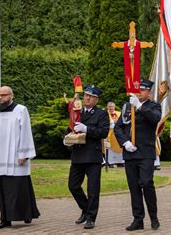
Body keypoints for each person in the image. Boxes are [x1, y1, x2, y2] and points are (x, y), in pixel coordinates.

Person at [0, 86, 40, 229]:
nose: (1, 98)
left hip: (16, 158)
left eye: (4, 95)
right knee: (2, 190)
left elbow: (25, 132)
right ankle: (5, 219)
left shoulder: (21, 110)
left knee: (19, 189)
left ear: (12, 96)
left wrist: (24, 154)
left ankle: (26, 214)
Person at [114, 80, 162, 231]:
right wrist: (125, 142)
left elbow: (155, 119)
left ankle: (153, 217)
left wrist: (140, 107)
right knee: (134, 187)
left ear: (149, 92)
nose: (140, 92)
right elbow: (118, 128)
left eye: (143, 90)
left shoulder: (153, 106)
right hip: (130, 153)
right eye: (138, 89)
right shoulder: (127, 107)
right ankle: (138, 219)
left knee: (146, 183)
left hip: (146, 153)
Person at [66, 85, 110, 230]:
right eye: (86, 95)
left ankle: (91, 217)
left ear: (96, 99)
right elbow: (70, 127)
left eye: (91, 96)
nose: (87, 98)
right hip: (78, 154)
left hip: (92, 156)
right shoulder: (77, 112)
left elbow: (103, 132)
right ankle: (85, 209)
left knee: (93, 190)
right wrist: (67, 138)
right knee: (73, 186)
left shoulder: (101, 114)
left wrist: (87, 129)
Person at [104, 102, 124, 168]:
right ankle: (111, 162)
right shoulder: (104, 114)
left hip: (118, 133)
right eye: (109, 106)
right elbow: (104, 124)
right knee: (110, 148)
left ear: (114, 107)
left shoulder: (119, 113)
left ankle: (120, 162)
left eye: (112, 106)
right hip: (109, 133)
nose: (111, 108)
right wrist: (112, 122)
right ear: (107, 107)